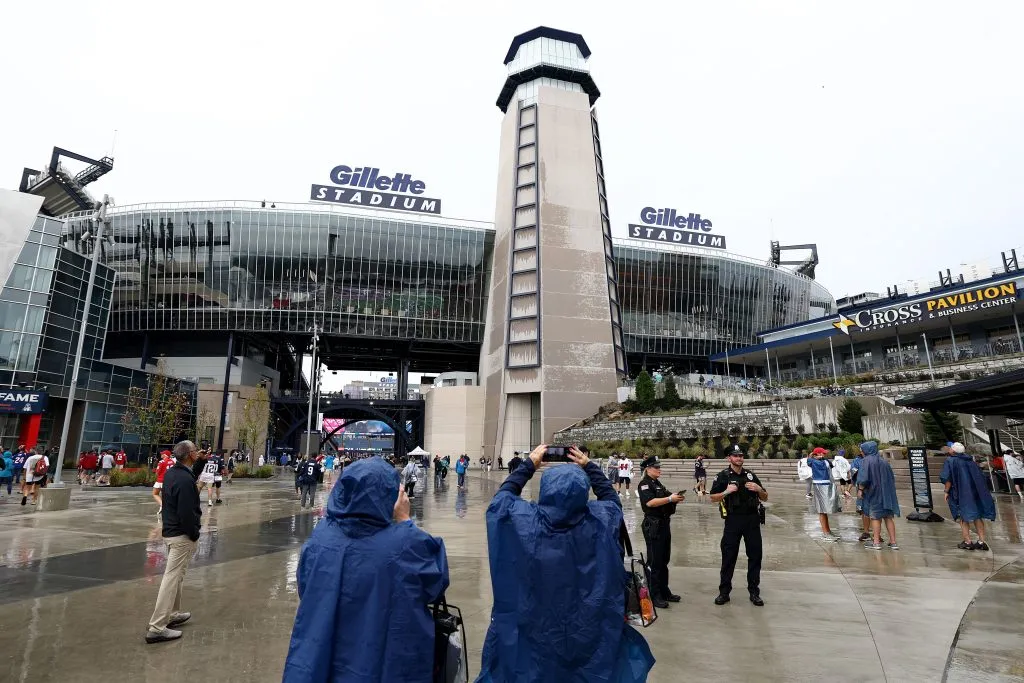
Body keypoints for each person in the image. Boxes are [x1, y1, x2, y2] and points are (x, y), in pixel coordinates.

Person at [476, 444, 655, 682]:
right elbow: (611, 499)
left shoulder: (524, 521)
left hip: (537, 631)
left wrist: (529, 464)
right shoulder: (602, 519)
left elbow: (501, 502)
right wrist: (589, 466)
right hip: (587, 632)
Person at [282, 457, 448, 681]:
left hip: (322, 659)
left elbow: (305, 588)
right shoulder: (405, 543)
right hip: (382, 662)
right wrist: (406, 521)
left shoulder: (319, 540)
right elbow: (435, 583)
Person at [145, 440, 202, 643]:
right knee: (171, 578)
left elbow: (190, 476)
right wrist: (194, 532)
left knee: (176, 576)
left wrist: (201, 462)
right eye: (195, 450)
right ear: (188, 455)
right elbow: (186, 512)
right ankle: (158, 626)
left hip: (170, 532)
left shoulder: (172, 473)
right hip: (181, 535)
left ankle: (172, 613)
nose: (198, 451)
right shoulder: (185, 481)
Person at [709, 444, 767, 606]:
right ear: (729, 458)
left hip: (752, 520)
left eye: (741, 455)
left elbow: (765, 497)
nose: (739, 458)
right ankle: (724, 592)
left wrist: (758, 488)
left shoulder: (750, 475)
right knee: (729, 557)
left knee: (755, 556)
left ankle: (754, 592)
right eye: (735, 456)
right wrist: (726, 491)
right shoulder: (723, 476)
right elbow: (713, 497)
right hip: (733, 521)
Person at [638, 454, 684, 608]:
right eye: (656, 467)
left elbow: (666, 495)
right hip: (653, 526)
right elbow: (650, 502)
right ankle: (654, 594)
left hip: (663, 524)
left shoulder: (657, 483)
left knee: (664, 560)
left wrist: (675, 497)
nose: (659, 469)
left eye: (659, 467)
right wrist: (670, 499)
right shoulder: (644, 484)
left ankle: (664, 591)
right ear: (648, 469)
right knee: (655, 561)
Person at [940, 442, 996, 551]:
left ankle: (967, 541)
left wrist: (946, 491)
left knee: (963, 516)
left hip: (961, 492)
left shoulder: (951, 461)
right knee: (977, 515)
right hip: (976, 491)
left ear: (953, 451)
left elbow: (948, 478)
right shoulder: (971, 461)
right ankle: (981, 541)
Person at [857, 441, 900, 551]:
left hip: (874, 492)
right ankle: (893, 542)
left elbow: (864, 478)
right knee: (888, 517)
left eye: (862, 450)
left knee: (875, 516)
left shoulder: (866, 461)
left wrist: (860, 489)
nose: (861, 452)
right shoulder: (884, 461)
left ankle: (876, 542)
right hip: (887, 493)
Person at [808, 447, 840, 541]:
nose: (824, 455)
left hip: (827, 485)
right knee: (822, 510)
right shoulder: (813, 462)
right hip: (819, 486)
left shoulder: (825, 461)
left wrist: (821, 457)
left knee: (825, 510)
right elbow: (809, 461)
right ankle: (825, 533)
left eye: (824, 454)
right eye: (821, 453)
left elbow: (831, 465)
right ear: (816, 454)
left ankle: (828, 531)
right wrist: (812, 455)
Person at [153, 450, 174, 514]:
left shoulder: (161, 462)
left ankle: (162, 505)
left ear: (165, 455)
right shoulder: (172, 461)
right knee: (166, 495)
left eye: (162, 454)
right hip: (169, 480)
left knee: (155, 493)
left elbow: (157, 472)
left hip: (160, 480)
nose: (161, 455)